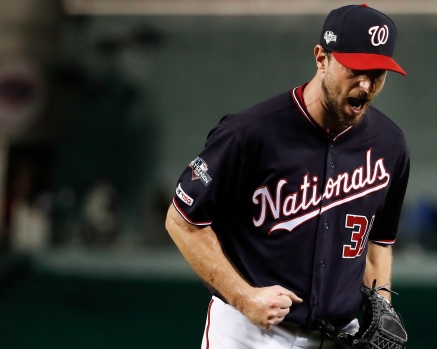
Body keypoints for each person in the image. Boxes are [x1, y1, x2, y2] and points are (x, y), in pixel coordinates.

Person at [165, 4, 410, 348]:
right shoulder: (250, 133)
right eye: (355, 69)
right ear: (321, 58)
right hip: (249, 333)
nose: (366, 85)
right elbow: (182, 222)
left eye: (378, 74)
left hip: (338, 337)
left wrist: (382, 306)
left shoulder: (390, 145)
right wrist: (243, 296)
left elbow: (377, 245)